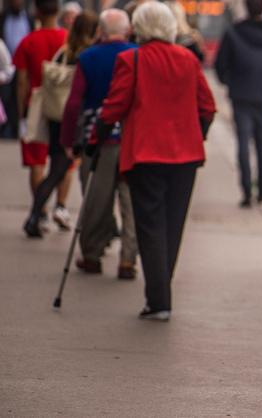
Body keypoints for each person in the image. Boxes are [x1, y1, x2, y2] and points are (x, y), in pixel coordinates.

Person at [96, 1, 216, 321]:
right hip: (186, 157)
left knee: (150, 226)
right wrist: (196, 134)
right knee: (173, 226)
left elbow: (114, 106)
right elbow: (207, 107)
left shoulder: (131, 59)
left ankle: (158, 299)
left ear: (139, 26)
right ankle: (162, 290)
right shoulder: (188, 59)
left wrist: (95, 138)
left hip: (145, 155)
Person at [60, 8, 138, 279]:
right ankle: (128, 259)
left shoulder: (88, 57)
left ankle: (92, 255)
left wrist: (69, 139)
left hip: (98, 137)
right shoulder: (137, 55)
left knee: (95, 198)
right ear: (128, 30)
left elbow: (73, 104)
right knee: (130, 201)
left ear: (100, 32)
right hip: (131, 138)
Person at [21, 10, 99, 237]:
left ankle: (37, 214)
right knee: (59, 170)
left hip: (57, 117)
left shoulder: (63, 52)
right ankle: (35, 215)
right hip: (75, 120)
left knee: (56, 167)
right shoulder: (88, 56)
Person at [214, 0, 262, 207]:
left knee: (242, 142)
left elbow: (220, 65)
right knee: (261, 142)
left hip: (240, 93)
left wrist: (229, 81)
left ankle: (247, 189)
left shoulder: (233, 32)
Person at [0, 0, 33, 139]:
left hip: (23, 66)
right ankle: (5, 130)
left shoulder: (29, 19)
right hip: (7, 65)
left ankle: (19, 126)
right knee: (6, 98)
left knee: (22, 96)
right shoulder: (3, 18)